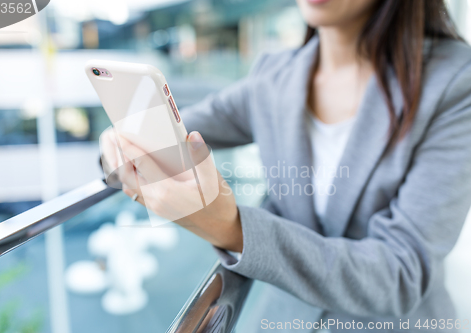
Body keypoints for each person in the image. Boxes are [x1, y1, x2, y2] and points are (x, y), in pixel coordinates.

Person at [102, 0, 471, 331]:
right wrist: (118, 146)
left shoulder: (453, 81)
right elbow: (176, 131)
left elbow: (402, 273)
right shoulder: (273, 76)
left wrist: (233, 229)